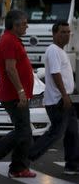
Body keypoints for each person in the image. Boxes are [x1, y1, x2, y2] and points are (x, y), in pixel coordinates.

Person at [0, 10, 36, 178]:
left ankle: (18, 168)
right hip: (13, 94)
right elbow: (10, 69)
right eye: (25, 23)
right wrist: (20, 91)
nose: (27, 26)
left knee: (24, 132)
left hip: (16, 94)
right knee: (23, 131)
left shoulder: (13, 40)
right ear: (15, 25)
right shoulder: (9, 41)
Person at [28, 21, 79, 175]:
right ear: (54, 34)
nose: (66, 35)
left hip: (65, 99)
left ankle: (72, 164)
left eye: (68, 32)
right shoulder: (53, 50)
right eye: (62, 32)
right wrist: (64, 95)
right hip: (58, 101)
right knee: (55, 134)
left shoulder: (60, 51)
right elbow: (56, 74)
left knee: (72, 132)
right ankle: (26, 158)